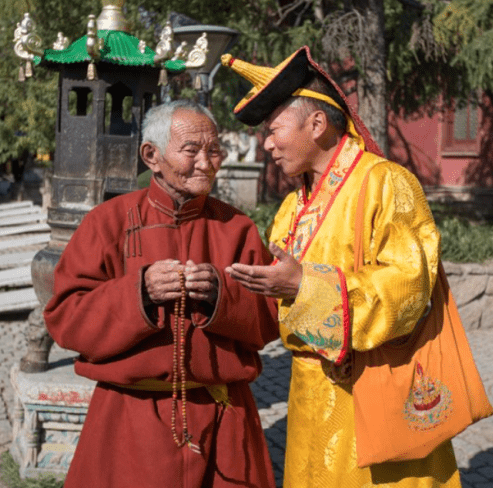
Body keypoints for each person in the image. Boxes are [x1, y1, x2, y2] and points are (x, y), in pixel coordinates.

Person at [223, 47, 461, 487]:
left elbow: (410, 288)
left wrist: (306, 286)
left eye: (274, 131)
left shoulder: (386, 183)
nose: (267, 144)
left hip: (370, 396)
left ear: (316, 124)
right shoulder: (292, 208)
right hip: (308, 398)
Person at [43, 100, 279, 488]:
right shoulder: (108, 222)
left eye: (214, 150)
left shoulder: (237, 228)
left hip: (223, 413)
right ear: (152, 156)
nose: (207, 163)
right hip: (130, 418)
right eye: (192, 150)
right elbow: (66, 318)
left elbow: (271, 316)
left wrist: (223, 297)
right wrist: (139, 292)